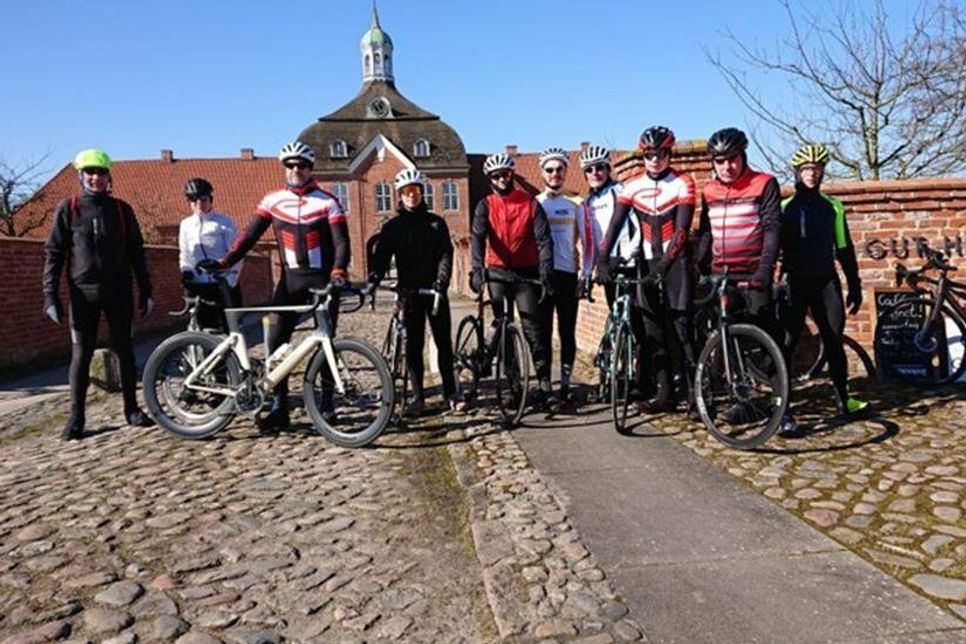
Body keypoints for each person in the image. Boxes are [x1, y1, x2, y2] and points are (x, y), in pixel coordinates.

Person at [202, 141, 349, 432]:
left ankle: (328, 403)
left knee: (327, 341)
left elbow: (342, 241)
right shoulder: (273, 201)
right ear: (285, 167)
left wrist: (339, 271)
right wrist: (224, 261)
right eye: (290, 165)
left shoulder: (327, 201)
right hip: (289, 283)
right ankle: (279, 407)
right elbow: (249, 236)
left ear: (310, 169)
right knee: (277, 342)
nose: (296, 170)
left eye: (302, 165)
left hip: (321, 282)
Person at [42, 148, 154, 440]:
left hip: (118, 291)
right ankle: (76, 417)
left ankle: (132, 409)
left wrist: (146, 289)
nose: (95, 178)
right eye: (90, 173)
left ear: (108, 176)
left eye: (101, 173)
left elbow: (136, 253)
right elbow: (54, 253)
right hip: (83, 293)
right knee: (81, 355)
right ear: (81, 176)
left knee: (125, 351)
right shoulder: (69, 208)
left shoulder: (121, 209)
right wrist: (50, 295)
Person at [598, 127, 696, 411]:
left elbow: (681, 232)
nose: (655, 160)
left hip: (675, 263)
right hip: (646, 264)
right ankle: (664, 393)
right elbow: (614, 226)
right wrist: (603, 259)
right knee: (652, 330)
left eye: (661, 154)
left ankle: (694, 394)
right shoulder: (632, 185)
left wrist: (665, 266)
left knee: (682, 328)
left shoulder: (683, 182)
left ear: (669, 154)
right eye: (649, 155)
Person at [779, 143, 868, 436]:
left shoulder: (833, 206)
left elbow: (844, 248)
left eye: (816, 169)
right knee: (788, 342)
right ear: (797, 171)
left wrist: (854, 285)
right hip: (795, 281)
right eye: (806, 169)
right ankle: (782, 401)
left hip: (826, 280)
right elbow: (771, 246)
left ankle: (844, 398)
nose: (812, 174)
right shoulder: (784, 208)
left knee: (833, 339)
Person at [696, 127, 783, 421]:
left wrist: (765, 269)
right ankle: (744, 402)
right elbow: (706, 234)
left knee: (764, 343)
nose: (726, 166)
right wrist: (699, 269)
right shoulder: (709, 191)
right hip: (721, 274)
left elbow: (772, 229)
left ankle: (782, 405)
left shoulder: (764, 183)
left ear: (742, 156)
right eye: (719, 161)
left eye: (732, 159)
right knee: (728, 340)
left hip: (754, 271)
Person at [367, 168, 459, 415]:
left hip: (434, 292)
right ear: (400, 195)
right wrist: (375, 275)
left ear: (421, 193)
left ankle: (450, 392)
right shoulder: (393, 227)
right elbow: (382, 255)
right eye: (406, 192)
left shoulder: (436, 223)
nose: (411, 196)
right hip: (409, 293)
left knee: (443, 343)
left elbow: (445, 255)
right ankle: (418, 398)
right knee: (414, 346)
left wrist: (442, 281)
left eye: (415, 191)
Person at [470, 152, 555, 409]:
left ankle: (544, 385)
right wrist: (477, 270)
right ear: (490, 179)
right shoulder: (485, 205)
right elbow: (477, 237)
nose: (501, 179)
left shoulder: (529, 202)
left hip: (525, 273)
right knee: (503, 330)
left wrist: (546, 272)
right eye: (496, 176)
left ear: (512, 175)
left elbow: (544, 240)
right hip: (497, 273)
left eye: (505, 174)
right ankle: (513, 387)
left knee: (533, 330)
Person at [536, 147, 591, 404]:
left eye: (559, 169)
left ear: (566, 171)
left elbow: (587, 241)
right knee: (543, 332)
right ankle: (545, 384)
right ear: (542, 172)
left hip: (568, 274)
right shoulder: (535, 203)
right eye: (549, 169)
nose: (555, 173)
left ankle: (566, 383)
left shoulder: (577, 203)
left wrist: (585, 273)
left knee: (567, 332)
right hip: (542, 277)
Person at [177, 178, 242, 331]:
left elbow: (236, 254)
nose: (199, 203)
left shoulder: (224, 223)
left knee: (230, 331)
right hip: (199, 285)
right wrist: (186, 271)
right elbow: (185, 253)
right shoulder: (185, 225)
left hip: (222, 284)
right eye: (193, 200)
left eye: (203, 199)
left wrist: (231, 281)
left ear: (210, 199)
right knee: (201, 330)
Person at [581, 144, 639, 308]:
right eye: (589, 170)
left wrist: (626, 255)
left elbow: (638, 229)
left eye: (599, 167)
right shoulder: (587, 203)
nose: (595, 173)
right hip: (605, 267)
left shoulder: (621, 191)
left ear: (608, 169)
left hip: (627, 264)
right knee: (614, 311)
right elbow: (589, 243)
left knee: (635, 319)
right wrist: (586, 274)